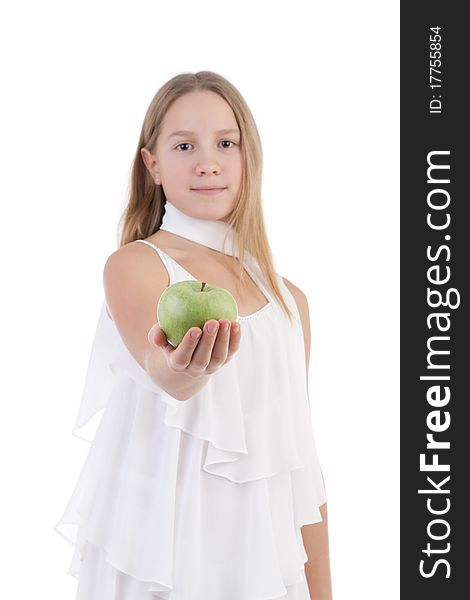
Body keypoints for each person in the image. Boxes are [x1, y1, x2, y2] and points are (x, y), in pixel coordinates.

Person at [54, 70, 332, 600]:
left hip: (264, 570)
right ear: (152, 164)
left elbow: (303, 469)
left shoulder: (290, 302)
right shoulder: (137, 266)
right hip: (167, 560)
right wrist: (183, 368)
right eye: (185, 145)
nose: (208, 161)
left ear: (248, 156)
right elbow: (167, 377)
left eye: (226, 143)